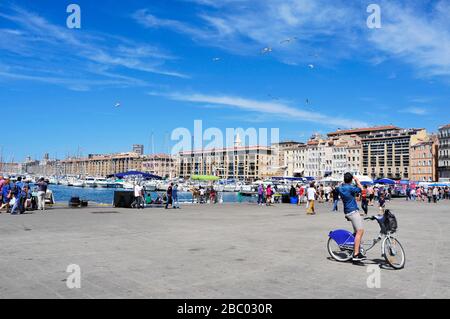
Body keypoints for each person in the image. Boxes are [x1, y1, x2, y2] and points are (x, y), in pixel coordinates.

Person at [337, 173, 365, 261]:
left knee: (356, 232)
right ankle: (356, 254)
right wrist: (357, 181)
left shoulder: (340, 188)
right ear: (351, 180)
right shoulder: (350, 188)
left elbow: (337, 187)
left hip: (347, 211)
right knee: (360, 231)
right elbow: (362, 190)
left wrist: (344, 182)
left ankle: (352, 246)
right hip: (353, 211)